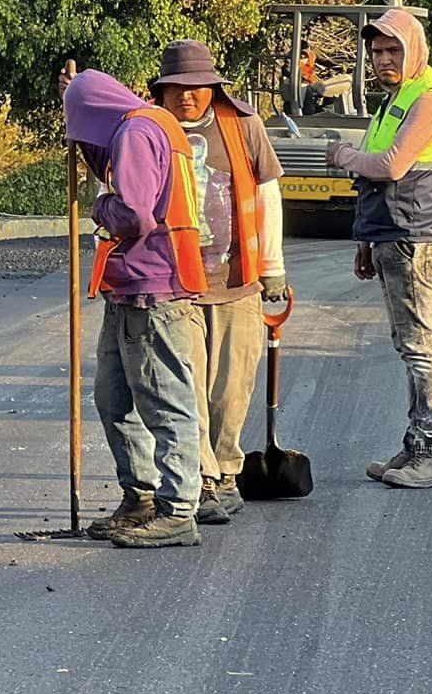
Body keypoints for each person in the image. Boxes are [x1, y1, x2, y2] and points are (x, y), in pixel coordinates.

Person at [62, 66, 210, 549]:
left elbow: (135, 213)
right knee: (114, 397)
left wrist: (99, 208)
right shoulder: (147, 125)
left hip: (154, 283)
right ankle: (140, 495)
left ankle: (178, 509)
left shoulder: (137, 132)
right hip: (130, 284)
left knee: (165, 400)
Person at [148, 41, 289, 525]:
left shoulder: (243, 126)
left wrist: (273, 267)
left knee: (231, 386)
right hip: (173, 282)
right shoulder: (147, 129)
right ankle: (203, 477)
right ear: (162, 90)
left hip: (237, 279)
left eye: (196, 87)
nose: (187, 96)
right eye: (177, 88)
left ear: (212, 88)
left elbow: (268, 196)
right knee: (185, 384)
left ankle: (227, 469)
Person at [326, 8, 432, 490]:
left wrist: (341, 154)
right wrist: (366, 239)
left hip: (415, 235)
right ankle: (417, 446)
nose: (383, 58)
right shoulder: (397, 99)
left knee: (420, 345)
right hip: (393, 234)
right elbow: (375, 180)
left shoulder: (428, 99)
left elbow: (390, 166)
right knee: (410, 346)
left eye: (393, 50)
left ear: (415, 50)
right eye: (377, 51)